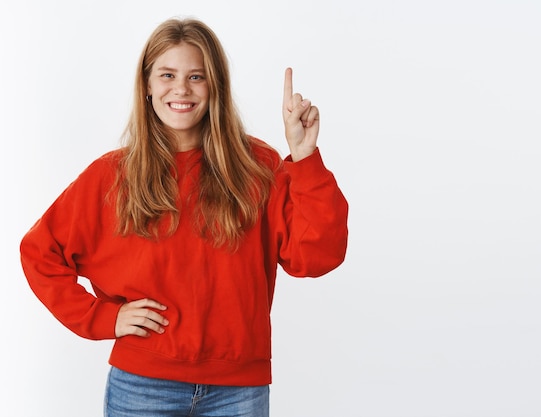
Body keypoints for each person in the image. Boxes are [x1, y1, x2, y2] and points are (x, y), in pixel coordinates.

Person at [20, 17, 348, 417]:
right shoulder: (112, 175)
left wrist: (305, 158)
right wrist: (102, 317)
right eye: (167, 75)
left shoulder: (258, 166)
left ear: (216, 87)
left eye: (197, 76)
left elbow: (318, 256)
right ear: (147, 86)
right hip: (142, 387)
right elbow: (39, 253)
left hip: (238, 390)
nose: (181, 89)